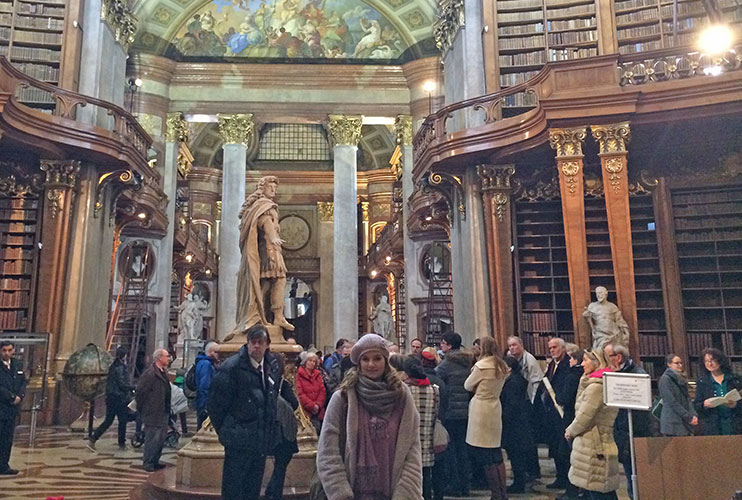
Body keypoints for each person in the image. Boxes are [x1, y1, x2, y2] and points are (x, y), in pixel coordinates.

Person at [316, 333, 423, 499]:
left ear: (385, 361)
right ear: (358, 362)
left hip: (393, 491)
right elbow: (328, 451)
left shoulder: (401, 396)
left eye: (377, 358)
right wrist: (340, 494)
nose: (371, 364)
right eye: (365, 359)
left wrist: (405, 494)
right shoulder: (343, 398)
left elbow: (412, 450)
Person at [208, 325, 285, 500]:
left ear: (267, 345)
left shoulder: (271, 366)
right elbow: (215, 406)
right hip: (238, 442)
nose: (256, 346)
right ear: (248, 343)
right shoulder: (232, 368)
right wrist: (229, 431)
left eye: (261, 342)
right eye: (253, 342)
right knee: (233, 490)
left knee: (253, 489)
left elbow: (270, 402)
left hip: (260, 441)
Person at [235, 175, 295, 334]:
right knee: (280, 279)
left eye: (275, 188)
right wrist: (273, 237)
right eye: (271, 187)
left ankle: (253, 312)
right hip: (270, 249)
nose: (274, 191)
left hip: (267, 248)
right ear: (262, 188)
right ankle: (277, 316)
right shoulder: (265, 205)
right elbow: (265, 222)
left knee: (266, 283)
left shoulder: (259, 205)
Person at [564, 350, 620, 500]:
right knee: (599, 488)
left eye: (586, 360)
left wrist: (570, 431)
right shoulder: (597, 382)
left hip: (594, 443)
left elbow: (585, 416)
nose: (582, 364)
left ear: (597, 363)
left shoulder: (596, 387)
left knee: (598, 487)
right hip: (593, 440)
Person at [604, 343, 651, 500]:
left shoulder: (636, 373)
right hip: (621, 430)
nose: (606, 361)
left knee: (636, 472)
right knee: (629, 470)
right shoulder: (615, 374)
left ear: (618, 357)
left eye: (608, 356)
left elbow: (641, 408)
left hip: (634, 431)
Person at [464, 336, 509, 500]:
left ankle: (496, 494)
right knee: (496, 452)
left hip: (481, 409)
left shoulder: (481, 366)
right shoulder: (502, 365)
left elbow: (467, 385)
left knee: (485, 454)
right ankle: (502, 493)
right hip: (495, 407)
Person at [436, 332, 474, 496]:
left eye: (443, 343)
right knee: (463, 449)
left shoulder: (447, 364)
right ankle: (466, 484)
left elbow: (437, 381)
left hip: (451, 411)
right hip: (466, 411)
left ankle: (455, 484)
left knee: (451, 449)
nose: (441, 347)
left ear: (449, 346)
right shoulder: (468, 362)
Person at [534, 337, 572, 490]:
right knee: (555, 447)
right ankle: (560, 476)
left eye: (555, 347)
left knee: (563, 448)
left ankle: (568, 480)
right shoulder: (552, 365)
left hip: (562, 411)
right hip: (550, 412)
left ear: (563, 348)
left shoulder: (568, 364)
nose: (552, 350)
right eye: (550, 348)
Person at [265, 342, 300, 500]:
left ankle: (270, 490)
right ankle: (273, 492)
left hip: (267, 429)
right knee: (281, 465)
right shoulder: (282, 383)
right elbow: (294, 403)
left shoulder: (263, 382)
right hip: (283, 432)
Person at [402, 356, 439, 500]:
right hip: (428, 437)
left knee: (411, 480)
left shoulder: (405, 389)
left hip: (409, 440)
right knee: (426, 478)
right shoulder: (435, 390)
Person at [87, 345, 134, 451]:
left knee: (108, 421)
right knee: (122, 421)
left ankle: (93, 439)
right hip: (119, 398)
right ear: (124, 356)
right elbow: (122, 384)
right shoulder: (120, 367)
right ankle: (121, 444)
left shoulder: (113, 366)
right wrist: (133, 388)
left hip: (111, 397)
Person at [500, 356, 534, 494]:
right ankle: (519, 481)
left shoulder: (512, 382)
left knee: (516, 454)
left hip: (514, 424)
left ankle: (519, 483)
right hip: (518, 422)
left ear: (508, 368)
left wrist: (503, 415)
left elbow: (512, 404)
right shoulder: (517, 380)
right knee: (516, 454)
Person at [136, 348, 172, 472]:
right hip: (153, 411)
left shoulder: (162, 372)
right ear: (159, 358)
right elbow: (140, 392)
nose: (169, 358)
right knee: (152, 438)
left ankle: (155, 461)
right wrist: (144, 408)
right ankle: (148, 462)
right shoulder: (150, 374)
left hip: (163, 410)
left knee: (161, 438)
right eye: (167, 356)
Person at [694, 347, 742, 435]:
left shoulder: (735, 379)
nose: (710, 363)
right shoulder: (702, 382)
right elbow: (697, 406)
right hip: (713, 426)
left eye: (712, 360)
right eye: (706, 361)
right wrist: (704, 404)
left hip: (735, 423)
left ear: (720, 361)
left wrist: (736, 404)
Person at [420, 347, 448, 500]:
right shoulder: (440, 382)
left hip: (424, 429)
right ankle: (439, 495)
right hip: (438, 426)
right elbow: (445, 404)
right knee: (438, 464)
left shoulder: (422, 382)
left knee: (425, 467)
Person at [0, 340, 26, 475]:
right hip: (2, 406)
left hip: (12, 409)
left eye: (9, 350)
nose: (7, 353)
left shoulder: (17, 364)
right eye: (4, 350)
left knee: (7, 439)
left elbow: (23, 382)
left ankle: (4, 465)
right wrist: (11, 397)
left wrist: (20, 396)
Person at [658, 353, 698, 436]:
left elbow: (687, 398)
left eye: (681, 363)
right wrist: (688, 416)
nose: (680, 365)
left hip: (684, 420)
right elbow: (671, 401)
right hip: (672, 421)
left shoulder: (682, 379)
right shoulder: (665, 379)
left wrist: (693, 414)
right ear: (669, 364)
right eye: (676, 363)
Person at [297, 350, 326, 434]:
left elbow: (322, 391)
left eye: (314, 361)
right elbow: (300, 392)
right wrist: (311, 405)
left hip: (318, 411)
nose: (312, 363)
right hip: (305, 411)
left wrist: (318, 405)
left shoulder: (318, 375)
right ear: (305, 362)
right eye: (310, 360)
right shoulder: (299, 375)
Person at [506, 336, 543, 403]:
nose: (511, 348)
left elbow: (536, 381)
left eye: (514, 345)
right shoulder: (510, 359)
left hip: (528, 397)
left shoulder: (529, 359)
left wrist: (534, 400)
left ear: (521, 345)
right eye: (509, 346)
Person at [195, 341, 219, 430]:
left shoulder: (203, 362)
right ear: (210, 352)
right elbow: (204, 386)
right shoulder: (206, 365)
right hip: (205, 404)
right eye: (216, 352)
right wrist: (206, 406)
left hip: (202, 403)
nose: (218, 355)